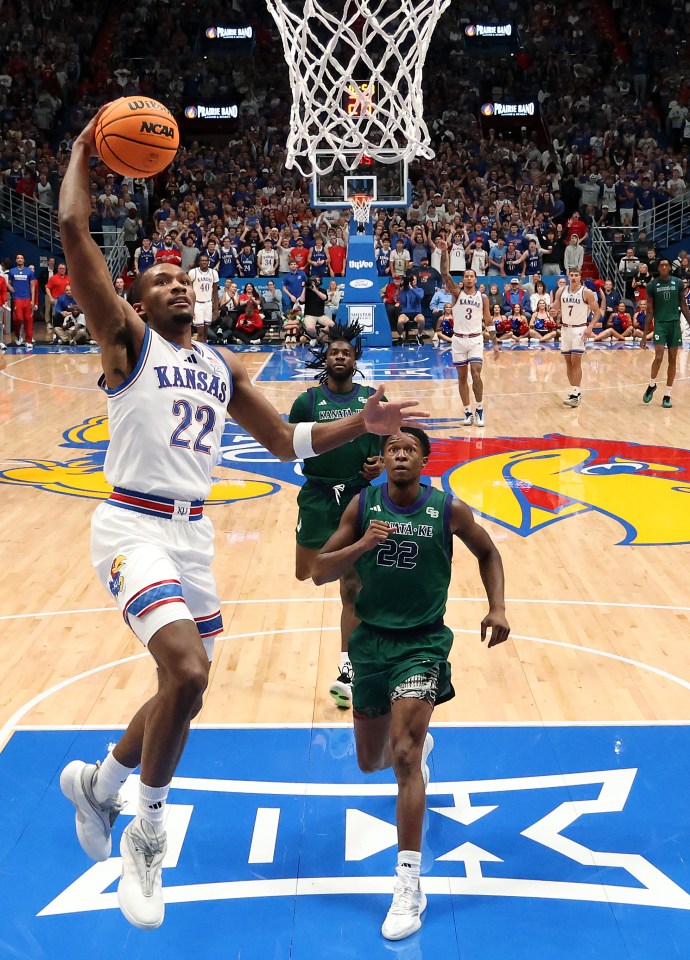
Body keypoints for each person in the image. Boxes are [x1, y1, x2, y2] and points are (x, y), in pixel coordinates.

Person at [57, 109, 424, 933]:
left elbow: (289, 440)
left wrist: (358, 427)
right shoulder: (126, 340)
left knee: (180, 694)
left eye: (185, 277)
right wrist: (84, 150)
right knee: (186, 673)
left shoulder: (218, 365)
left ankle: (100, 786)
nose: (177, 282)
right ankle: (145, 837)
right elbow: (74, 226)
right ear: (138, 303)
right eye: (159, 279)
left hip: (193, 537)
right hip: (131, 527)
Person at [311, 426, 509, 941]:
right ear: (383, 457)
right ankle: (413, 757)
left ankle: (408, 885)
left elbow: (488, 552)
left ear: (424, 459)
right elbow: (317, 570)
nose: (400, 456)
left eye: (409, 450)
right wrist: (360, 544)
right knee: (369, 760)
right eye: (392, 449)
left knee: (402, 754)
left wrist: (498, 607)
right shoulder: (362, 505)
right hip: (370, 643)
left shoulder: (448, 509)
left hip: (422, 643)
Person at [290, 321, 384, 707]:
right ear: (325, 360)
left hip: (356, 497)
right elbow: (291, 446)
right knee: (307, 572)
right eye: (334, 353)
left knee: (351, 587)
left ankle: (348, 668)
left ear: (355, 358)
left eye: (346, 352)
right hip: (317, 496)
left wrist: (377, 467)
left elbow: (384, 446)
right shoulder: (307, 402)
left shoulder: (369, 400)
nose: (340, 357)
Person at [437, 240, 493, 427]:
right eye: (466, 276)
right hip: (459, 339)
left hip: (476, 339)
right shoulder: (456, 293)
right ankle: (467, 411)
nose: (469, 278)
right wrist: (445, 252)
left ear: (476, 280)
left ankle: (479, 407)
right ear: (463, 280)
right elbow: (445, 274)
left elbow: (489, 320)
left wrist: (495, 343)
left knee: (476, 374)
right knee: (461, 377)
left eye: (472, 276)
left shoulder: (482, 297)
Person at [641, 257, 690, 408]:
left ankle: (667, 395)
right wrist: (645, 334)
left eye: (666, 264)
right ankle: (652, 385)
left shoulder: (677, 283)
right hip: (660, 324)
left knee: (672, 359)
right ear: (658, 268)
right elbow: (650, 310)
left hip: (674, 325)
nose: (664, 267)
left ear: (670, 268)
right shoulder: (652, 285)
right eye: (661, 265)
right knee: (658, 356)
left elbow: (683, 306)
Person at [555, 268, 601, 406]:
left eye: (576, 275)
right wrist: (552, 311)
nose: (574, 277)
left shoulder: (586, 292)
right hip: (565, 329)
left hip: (579, 329)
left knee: (576, 361)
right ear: (568, 277)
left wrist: (590, 327)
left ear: (580, 277)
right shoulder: (561, 291)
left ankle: (576, 393)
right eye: (571, 275)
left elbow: (598, 312)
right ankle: (575, 391)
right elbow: (555, 308)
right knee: (568, 361)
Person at [8, 253, 38, 348]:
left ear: (24, 260)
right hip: (17, 299)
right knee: (18, 319)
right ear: (16, 260)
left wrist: (32, 300)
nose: (20, 259)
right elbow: (8, 283)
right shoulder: (12, 271)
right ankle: (18, 336)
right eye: (18, 258)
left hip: (27, 298)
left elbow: (32, 286)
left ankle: (28, 340)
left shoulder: (29, 272)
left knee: (28, 320)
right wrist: (10, 288)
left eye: (21, 258)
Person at [188, 254, 219, 342]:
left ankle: (204, 349)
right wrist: (190, 306)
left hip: (208, 303)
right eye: (202, 260)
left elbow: (215, 292)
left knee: (205, 331)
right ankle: (198, 350)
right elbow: (189, 290)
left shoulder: (213, 273)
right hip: (197, 303)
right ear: (199, 262)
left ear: (208, 262)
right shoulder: (193, 272)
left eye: (206, 260)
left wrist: (216, 308)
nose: (204, 262)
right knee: (200, 331)